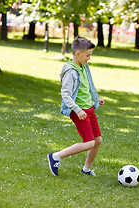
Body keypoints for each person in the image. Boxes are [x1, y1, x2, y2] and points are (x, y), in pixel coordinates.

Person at [47, 36, 105, 177]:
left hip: (89, 109)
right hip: (79, 111)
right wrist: (77, 109)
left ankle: (86, 169)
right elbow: (66, 95)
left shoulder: (83, 66)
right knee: (89, 142)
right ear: (77, 54)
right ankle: (56, 156)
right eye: (88, 55)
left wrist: (96, 99)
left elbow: (87, 86)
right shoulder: (70, 72)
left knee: (97, 140)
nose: (89, 58)